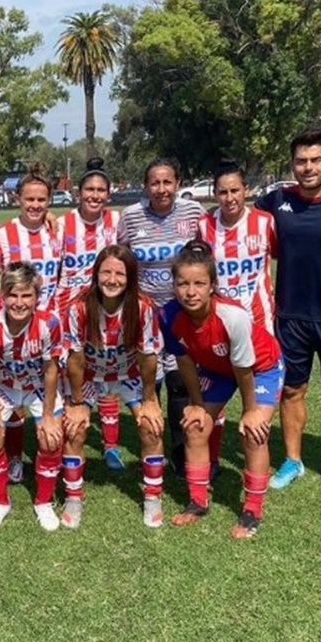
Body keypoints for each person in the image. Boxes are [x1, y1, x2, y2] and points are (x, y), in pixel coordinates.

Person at [255, 129, 321, 495]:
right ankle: (293, 459)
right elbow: (235, 223)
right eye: (301, 161)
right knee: (291, 390)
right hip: (290, 315)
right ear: (292, 164)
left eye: (316, 160)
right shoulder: (277, 200)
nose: (308, 167)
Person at [161, 241, 283, 538]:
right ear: (174, 286)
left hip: (260, 367)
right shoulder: (167, 316)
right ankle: (197, 502)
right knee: (195, 426)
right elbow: (184, 361)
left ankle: (252, 510)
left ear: (212, 286)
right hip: (218, 369)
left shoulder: (232, 315)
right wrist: (197, 403)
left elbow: (244, 369)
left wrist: (250, 411)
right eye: (183, 284)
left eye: (199, 284)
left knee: (254, 432)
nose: (191, 292)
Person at [65, 246, 165, 527]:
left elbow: (147, 357)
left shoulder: (143, 307)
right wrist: (77, 403)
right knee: (74, 429)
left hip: (127, 375)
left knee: (151, 426)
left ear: (130, 277)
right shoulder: (78, 307)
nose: (112, 279)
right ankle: (73, 498)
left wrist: (149, 400)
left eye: (120, 274)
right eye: (106, 272)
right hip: (90, 376)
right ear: (95, 273)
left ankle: (152, 497)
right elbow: (75, 359)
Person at [116, 158, 203, 478]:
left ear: (177, 183)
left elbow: (206, 254)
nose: (161, 189)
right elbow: (121, 258)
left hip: (182, 312)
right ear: (145, 186)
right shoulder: (131, 216)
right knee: (150, 382)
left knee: (181, 381)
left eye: (167, 182)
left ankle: (182, 453)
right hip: (145, 314)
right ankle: (152, 452)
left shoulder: (193, 213)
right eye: (155, 182)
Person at [0, 263, 66, 532]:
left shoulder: (50, 322)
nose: (19, 303)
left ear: (37, 297)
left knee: (51, 438)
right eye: (13, 295)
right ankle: (0, 502)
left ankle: (43, 502)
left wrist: (48, 415)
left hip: (37, 387)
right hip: (5, 386)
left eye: (26, 295)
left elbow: (51, 369)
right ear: (2, 296)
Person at [0, 168, 63, 483]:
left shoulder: (59, 232)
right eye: (29, 199)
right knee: (13, 390)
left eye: (41, 199)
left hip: (49, 326)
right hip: (13, 325)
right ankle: (14, 457)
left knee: (50, 388)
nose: (35, 205)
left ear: (49, 201)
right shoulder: (0, 234)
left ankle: (53, 453)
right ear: (17, 198)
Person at [55, 158, 125, 470]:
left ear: (108, 194)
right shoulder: (61, 224)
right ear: (78, 192)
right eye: (89, 190)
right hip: (68, 309)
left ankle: (111, 446)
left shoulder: (118, 221)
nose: (95, 195)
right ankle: (68, 437)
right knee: (71, 373)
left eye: (100, 190)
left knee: (106, 370)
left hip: (106, 308)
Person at [197, 162, 278, 334]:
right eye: (223, 192)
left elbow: (279, 257)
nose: (229, 198)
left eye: (235, 190)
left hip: (259, 320)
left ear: (245, 190)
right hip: (220, 319)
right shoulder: (204, 225)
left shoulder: (265, 222)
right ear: (215, 194)